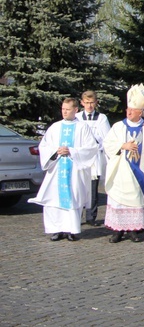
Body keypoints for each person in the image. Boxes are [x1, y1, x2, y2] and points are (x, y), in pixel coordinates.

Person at [103, 84, 144, 243]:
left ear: (141, 112)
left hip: (140, 169)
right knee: (119, 200)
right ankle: (118, 230)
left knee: (137, 200)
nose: (128, 112)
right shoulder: (118, 126)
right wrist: (122, 146)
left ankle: (134, 230)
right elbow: (107, 144)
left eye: (132, 110)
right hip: (121, 170)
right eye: (128, 109)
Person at [29, 98, 99, 241]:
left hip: (74, 170)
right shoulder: (55, 127)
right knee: (54, 199)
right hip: (56, 169)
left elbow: (91, 148)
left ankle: (71, 230)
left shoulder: (82, 127)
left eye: (67, 109)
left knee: (73, 197)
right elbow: (44, 146)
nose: (64, 112)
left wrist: (72, 151)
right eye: (63, 109)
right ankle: (56, 229)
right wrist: (56, 151)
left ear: (75, 110)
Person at [75, 90, 111, 226]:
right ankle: (77, 216)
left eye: (92, 103)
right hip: (80, 157)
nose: (89, 106)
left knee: (92, 189)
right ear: (82, 103)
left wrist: (96, 144)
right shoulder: (77, 117)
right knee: (78, 187)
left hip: (94, 157)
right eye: (87, 103)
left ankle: (91, 216)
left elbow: (107, 138)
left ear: (96, 103)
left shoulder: (101, 118)